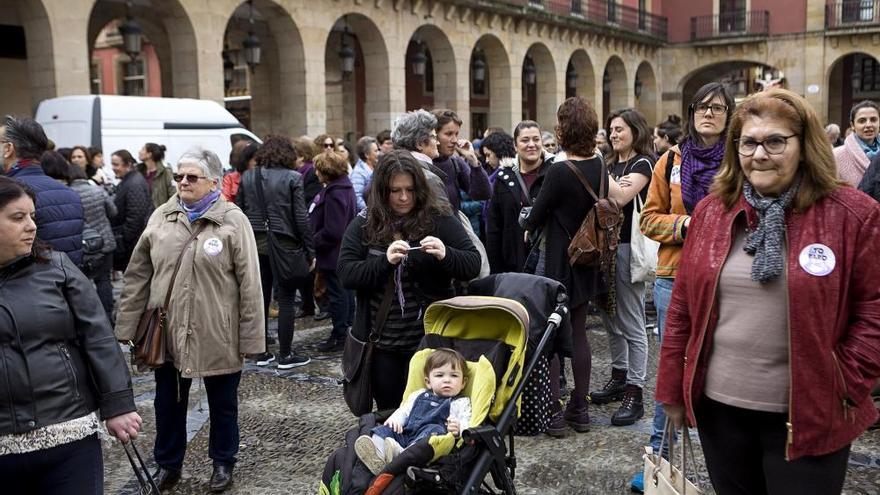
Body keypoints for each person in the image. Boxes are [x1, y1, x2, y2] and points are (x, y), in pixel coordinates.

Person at [657, 88, 880, 495]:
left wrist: (844, 380)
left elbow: (874, 309)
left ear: (804, 145)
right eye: (748, 142)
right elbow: (683, 308)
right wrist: (672, 388)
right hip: (720, 412)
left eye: (775, 141)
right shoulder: (712, 211)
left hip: (813, 411)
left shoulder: (851, 214)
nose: (760, 154)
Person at [115, 149, 264, 493]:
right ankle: (168, 464)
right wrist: (126, 327)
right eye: (180, 176)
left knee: (223, 404)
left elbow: (250, 282)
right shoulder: (162, 216)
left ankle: (223, 462)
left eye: (191, 177)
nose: (182, 182)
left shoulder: (232, 220)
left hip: (218, 331)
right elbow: (138, 274)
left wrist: (251, 337)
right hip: (167, 330)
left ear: (214, 181)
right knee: (167, 402)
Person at [0, 176, 141, 494]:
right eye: (18, 217)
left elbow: (98, 336)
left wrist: (118, 404)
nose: (31, 226)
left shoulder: (56, 267)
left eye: (33, 216)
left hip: (68, 435)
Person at [630, 81, 735, 493]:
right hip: (675, 276)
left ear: (729, 116)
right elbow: (649, 219)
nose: (708, 113)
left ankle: (728, 459)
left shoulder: (740, 161)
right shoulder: (670, 160)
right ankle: (660, 458)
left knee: (723, 368)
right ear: (691, 113)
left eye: (718, 108)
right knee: (674, 371)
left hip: (728, 277)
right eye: (702, 107)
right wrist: (686, 225)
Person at [338, 150, 481, 410]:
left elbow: (472, 264)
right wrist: (385, 262)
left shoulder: (438, 218)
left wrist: (446, 254)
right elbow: (347, 274)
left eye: (410, 190)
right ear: (382, 191)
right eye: (395, 191)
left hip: (431, 341)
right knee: (391, 413)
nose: (404, 197)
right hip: (382, 344)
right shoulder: (364, 223)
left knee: (432, 411)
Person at [519, 97, 626, 436]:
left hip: (559, 263)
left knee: (552, 338)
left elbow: (534, 219)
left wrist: (529, 216)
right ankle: (580, 409)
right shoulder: (598, 164)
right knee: (578, 333)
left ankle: (554, 412)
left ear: (564, 128)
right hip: (589, 259)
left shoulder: (559, 170)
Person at [588, 108, 655, 426]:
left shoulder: (642, 163)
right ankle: (618, 376)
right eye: (610, 130)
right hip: (604, 248)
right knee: (608, 316)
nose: (613, 134)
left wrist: (599, 171)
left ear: (635, 131)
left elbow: (621, 198)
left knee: (631, 321)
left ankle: (636, 390)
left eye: (619, 129)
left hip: (628, 249)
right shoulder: (613, 164)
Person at [237, 135, 316, 368]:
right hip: (285, 243)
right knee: (287, 300)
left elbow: (239, 212)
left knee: (260, 297)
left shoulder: (248, 176)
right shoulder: (293, 177)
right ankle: (285, 354)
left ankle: (260, 353)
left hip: (254, 242)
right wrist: (310, 249)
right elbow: (300, 217)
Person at [354, 348, 472, 475]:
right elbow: (404, 411)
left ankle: (401, 455)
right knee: (383, 429)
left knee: (433, 432)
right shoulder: (419, 394)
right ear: (428, 382)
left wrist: (459, 428)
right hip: (407, 432)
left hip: (428, 440)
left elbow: (467, 421)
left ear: (463, 383)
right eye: (439, 375)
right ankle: (378, 455)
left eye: (454, 376)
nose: (447, 380)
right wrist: (396, 420)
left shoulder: (460, 402)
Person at [41, 151, 118, 321]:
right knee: (104, 281)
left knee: (83, 283)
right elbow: (113, 211)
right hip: (104, 242)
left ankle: (89, 318)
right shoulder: (97, 190)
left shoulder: (69, 193)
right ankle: (107, 316)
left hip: (83, 244)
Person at [1, 115, 84, 266]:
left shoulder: (11, 194)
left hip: (27, 285)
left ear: (8, 149)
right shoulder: (70, 192)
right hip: (68, 283)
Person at [485, 121, 552, 274]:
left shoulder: (555, 173)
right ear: (515, 146)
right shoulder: (503, 178)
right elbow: (494, 227)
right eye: (525, 140)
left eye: (536, 139)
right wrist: (495, 272)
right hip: (512, 265)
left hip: (547, 264)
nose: (531, 144)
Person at [310, 150, 357, 352]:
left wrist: (313, 241)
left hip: (334, 254)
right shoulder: (341, 188)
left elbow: (333, 230)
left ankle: (340, 335)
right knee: (344, 294)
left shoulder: (335, 192)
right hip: (341, 253)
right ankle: (346, 333)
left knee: (339, 296)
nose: (315, 173)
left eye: (318, 169)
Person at [430, 109, 491, 212]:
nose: (454, 140)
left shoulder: (456, 162)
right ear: (433, 135)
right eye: (448, 134)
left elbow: (483, 194)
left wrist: (473, 161)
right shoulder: (418, 163)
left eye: (456, 134)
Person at [294, 137, 326, 320]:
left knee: (314, 271)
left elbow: (310, 197)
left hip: (309, 225)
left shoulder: (308, 172)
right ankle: (309, 304)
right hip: (306, 224)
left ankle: (316, 305)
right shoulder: (302, 171)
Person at [110, 149, 153, 272]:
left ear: (128, 164)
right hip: (129, 241)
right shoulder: (129, 180)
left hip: (131, 243)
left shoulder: (134, 183)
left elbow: (136, 217)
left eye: (116, 164)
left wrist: (123, 240)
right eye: (112, 164)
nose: (113, 168)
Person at [833, 100, 880, 186]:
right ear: (852, 125)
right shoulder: (836, 156)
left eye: (873, 120)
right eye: (862, 121)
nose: (868, 125)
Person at [137, 142, 175, 208]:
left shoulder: (165, 172)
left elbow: (173, 194)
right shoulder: (138, 171)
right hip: (143, 214)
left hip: (159, 214)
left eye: (143, 149)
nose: (139, 151)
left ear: (149, 154)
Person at [352, 136, 379, 211]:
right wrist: (369, 212)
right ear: (366, 155)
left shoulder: (375, 167)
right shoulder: (358, 173)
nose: (379, 154)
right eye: (376, 151)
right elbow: (357, 197)